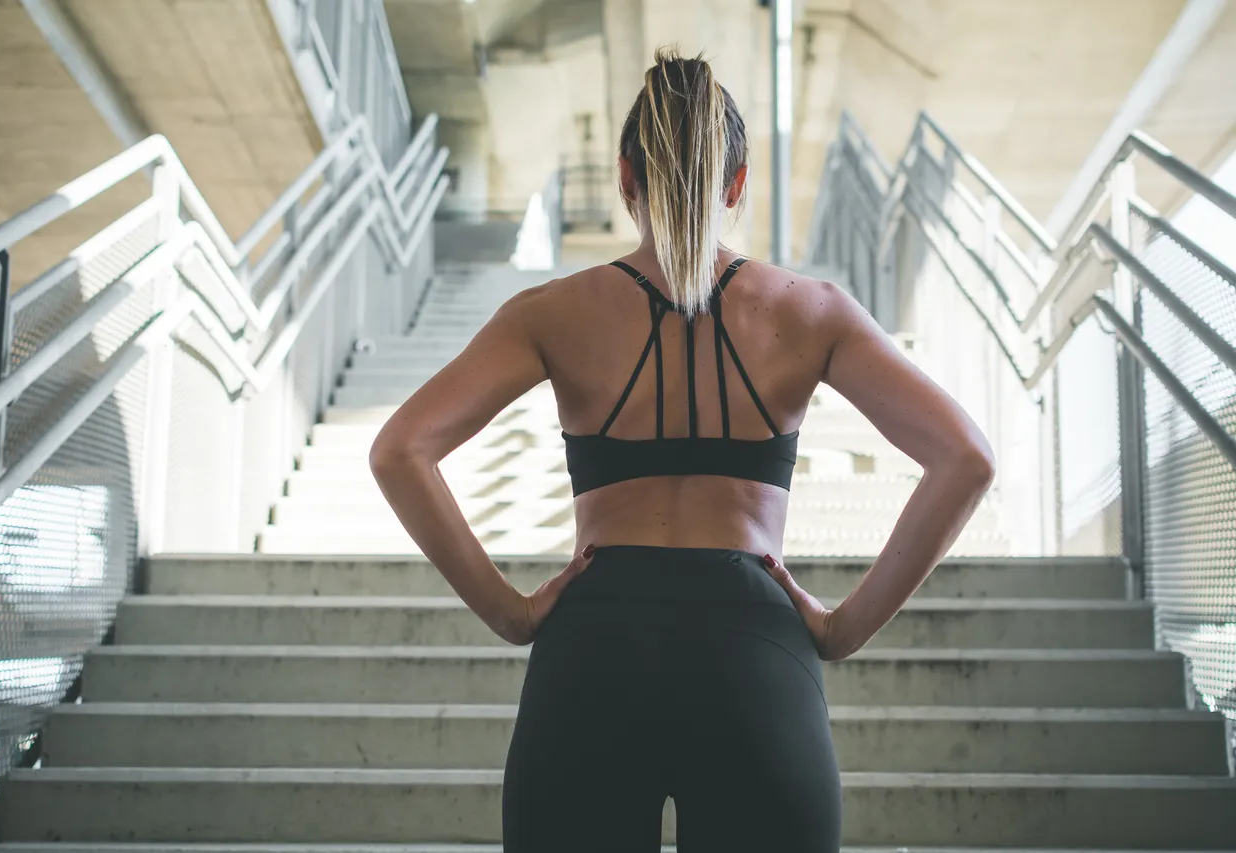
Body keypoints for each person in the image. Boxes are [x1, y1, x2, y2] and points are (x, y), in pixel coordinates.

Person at [369, 47, 995, 853]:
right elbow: (965, 458)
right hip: (755, 648)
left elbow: (400, 450)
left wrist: (512, 611)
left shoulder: (552, 313)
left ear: (626, 178)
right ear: (737, 184)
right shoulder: (811, 312)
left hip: (592, 648)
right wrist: (843, 629)